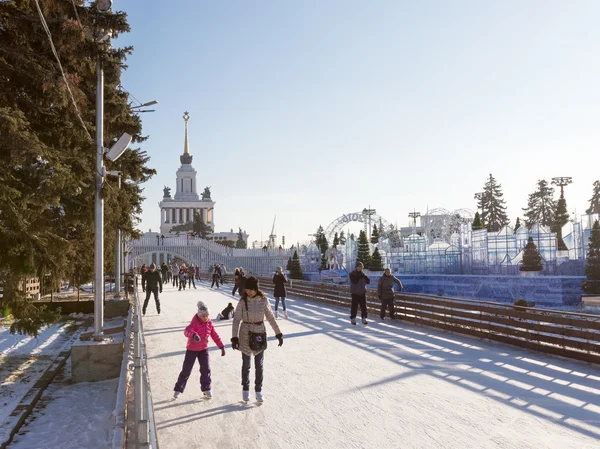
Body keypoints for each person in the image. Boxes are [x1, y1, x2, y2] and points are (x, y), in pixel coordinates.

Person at [231, 277, 283, 402]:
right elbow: (236, 319)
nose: (248, 292)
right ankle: (245, 389)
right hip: (245, 334)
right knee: (246, 365)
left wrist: (278, 333)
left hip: (259, 334)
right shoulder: (243, 301)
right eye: (246, 290)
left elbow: (270, 317)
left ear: (256, 289)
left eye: (250, 290)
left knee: (259, 365)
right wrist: (234, 337)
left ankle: (258, 390)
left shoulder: (263, 300)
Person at [173, 301, 226, 400]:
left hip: (203, 350)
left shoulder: (209, 323)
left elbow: (214, 335)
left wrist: (221, 346)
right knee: (186, 370)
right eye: (204, 315)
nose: (206, 317)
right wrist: (194, 335)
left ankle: (206, 388)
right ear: (199, 314)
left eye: (207, 315)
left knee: (206, 369)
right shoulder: (194, 322)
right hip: (192, 350)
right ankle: (178, 389)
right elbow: (186, 331)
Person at [349, 261, 370, 326]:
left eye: (361, 267)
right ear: (356, 267)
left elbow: (368, 281)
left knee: (364, 307)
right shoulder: (352, 274)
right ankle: (353, 318)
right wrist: (359, 276)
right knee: (354, 306)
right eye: (359, 267)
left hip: (362, 293)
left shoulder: (363, 274)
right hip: (355, 293)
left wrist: (364, 276)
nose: (360, 268)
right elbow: (354, 281)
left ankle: (364, 318)